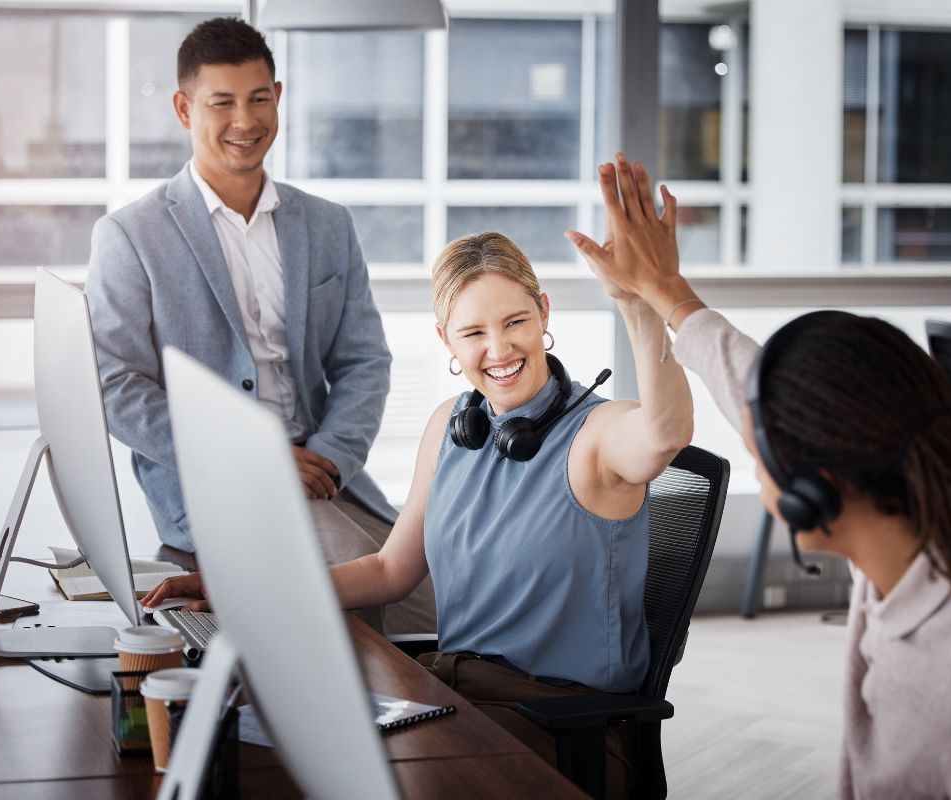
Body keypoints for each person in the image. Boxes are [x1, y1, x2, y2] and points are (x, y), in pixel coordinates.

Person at [144, 156, 695, 798]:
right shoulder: (452, 424)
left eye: (516, 322)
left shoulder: (597, 435)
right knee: (259, 745)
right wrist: (240, 589)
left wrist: (642, 301)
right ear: (446, 343)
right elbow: (389, 572)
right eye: (473, 333)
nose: (499, 349)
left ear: (545, 314)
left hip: (560, 729)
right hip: (449, 694)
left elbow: (665, 431)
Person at [567, 155, 951, 798]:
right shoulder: (903, 545)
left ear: (813, 485)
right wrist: (665, 290)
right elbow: (750, 378)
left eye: (760, 439)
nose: (749, 436)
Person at [86, 17, 435, 634]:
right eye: (222, 103)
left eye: (259, 98)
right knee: (370, 594)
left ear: (280, 97)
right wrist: (253, 459)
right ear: (183, 108)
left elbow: (364, 362)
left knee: (442, 588)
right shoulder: (130, 237)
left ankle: (471, 725)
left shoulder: (327, 225)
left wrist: (328, 459)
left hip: (328, 482)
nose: (245, 121)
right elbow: (115, 386)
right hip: (215, 490)